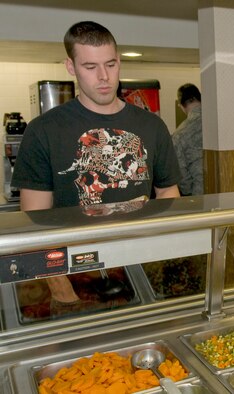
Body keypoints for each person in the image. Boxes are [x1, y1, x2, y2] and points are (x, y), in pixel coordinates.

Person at [11, 21, 181, 317]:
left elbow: (168, 191)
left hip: (143, 272)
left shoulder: (151, 126)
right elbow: (34, 222)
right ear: (70, 67)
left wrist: (169, 259)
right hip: (76, 277)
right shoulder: (44, 130)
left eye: (111, 64)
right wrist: (63, 291)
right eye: (90, 67)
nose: (104, 77)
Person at [172, 83, 204, 196]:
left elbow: (181, 172)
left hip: (199, 195)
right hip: (227, 190)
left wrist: (188, 193)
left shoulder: (179, 134)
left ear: (181, 105)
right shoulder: (218, 123)